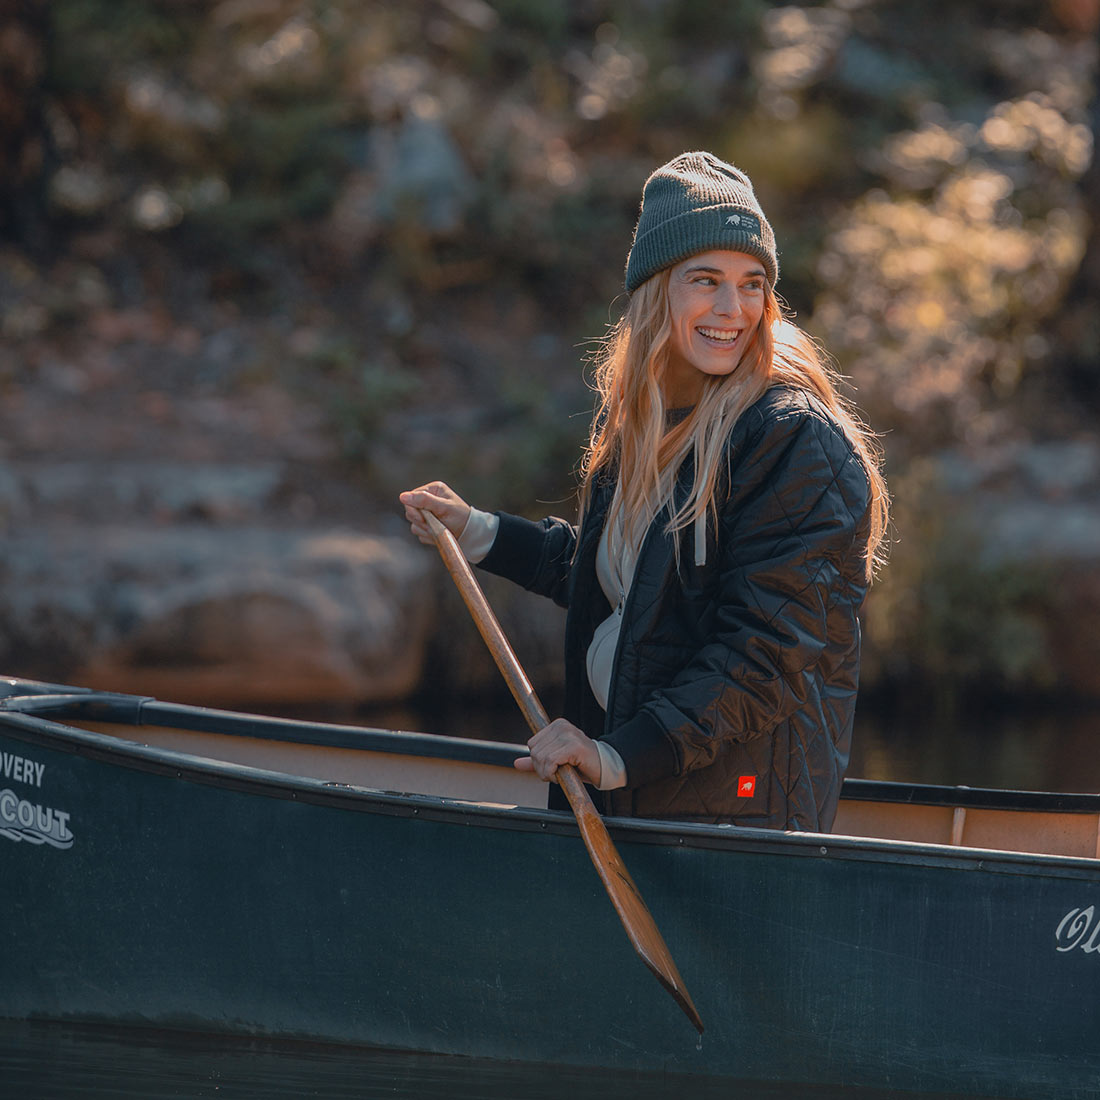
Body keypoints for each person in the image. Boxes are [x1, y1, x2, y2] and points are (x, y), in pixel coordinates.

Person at [401, 151, 888, 832]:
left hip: (729, 824)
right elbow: (635, 591)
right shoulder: (643, 422)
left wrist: (613, 757)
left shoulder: (791, 440)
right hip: (636, 803)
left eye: (752, 284)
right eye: (706, 280)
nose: (732, 309)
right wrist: (480, 532)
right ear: (658, 290)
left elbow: (762, 660)